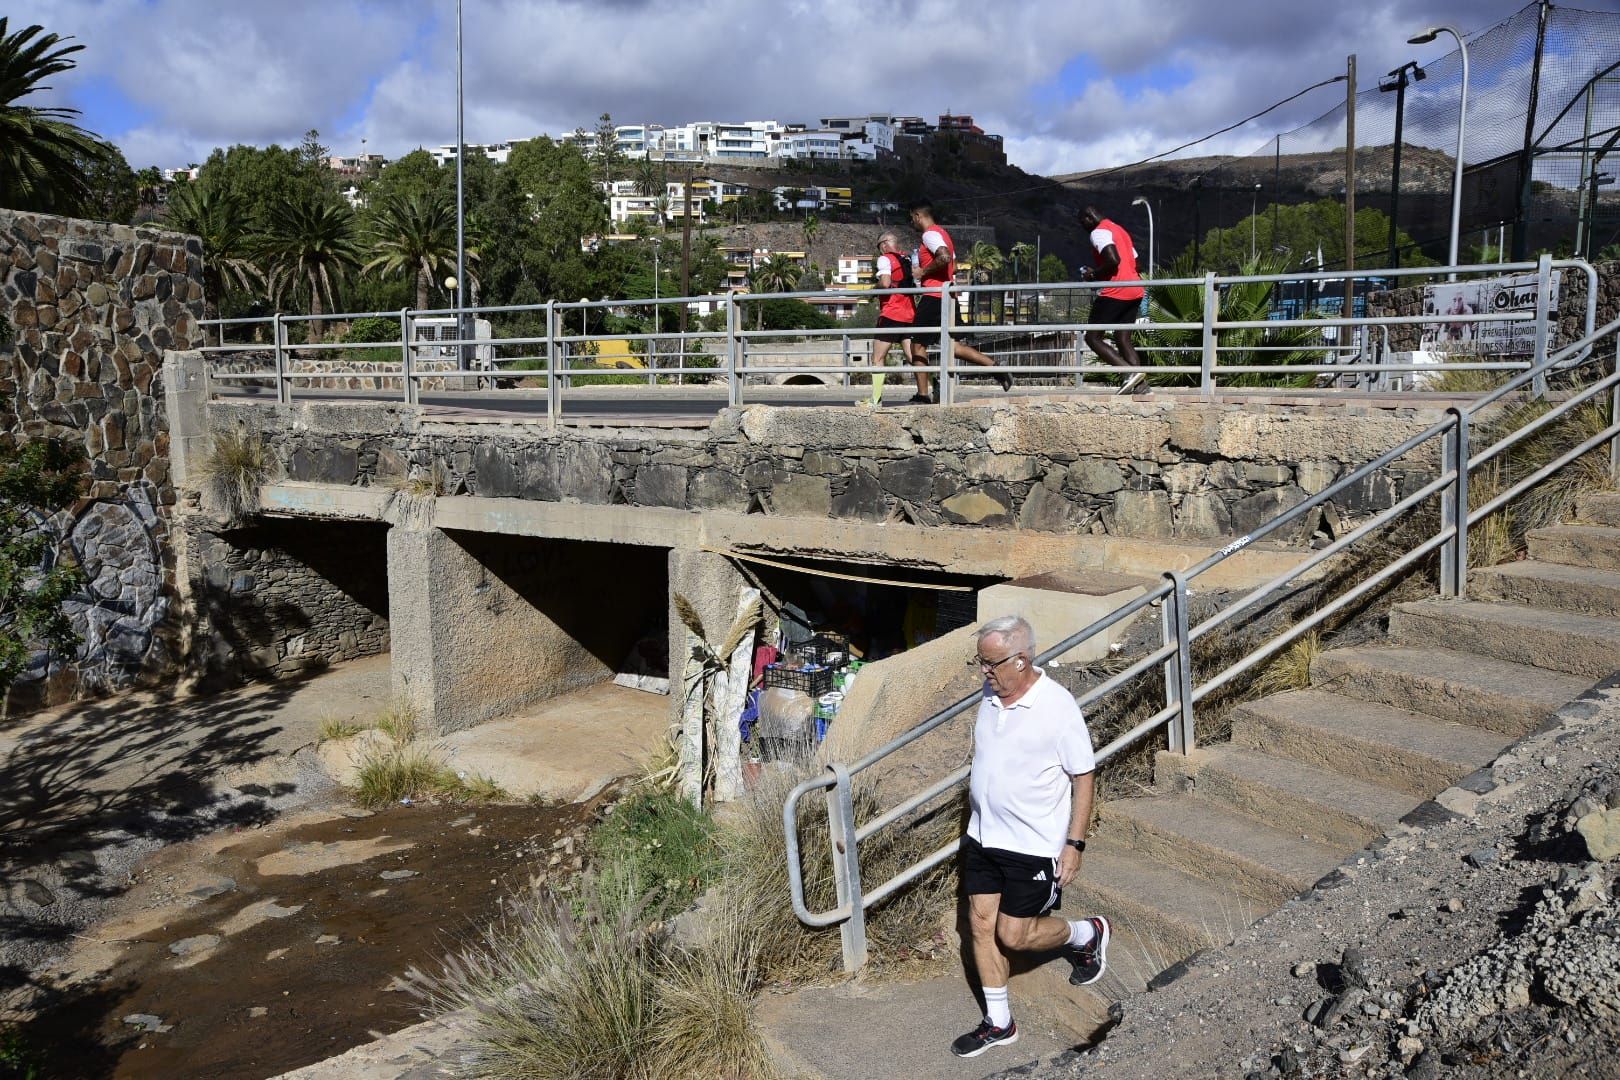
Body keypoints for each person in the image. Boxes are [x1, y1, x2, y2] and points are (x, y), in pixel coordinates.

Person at [951, 614, 1109, 1060]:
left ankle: (1086, 933)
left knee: (1014, 937)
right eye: (980, 661)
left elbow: (1083, 774)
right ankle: (999, 1023)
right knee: (981, 925)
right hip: (983, 837)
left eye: (992, 662)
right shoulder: (991, 692)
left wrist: (1074, 844)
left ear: (1021, 660)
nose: (984, 671)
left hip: (1034, 846)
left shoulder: (1057, 707)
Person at [908, 200, 1013, 403]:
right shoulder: (944, 235)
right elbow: (953, 266)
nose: (912, 222)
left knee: (918, 345)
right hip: (948, 297)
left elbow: (945, 258)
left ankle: (922, 395)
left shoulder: (929, 235)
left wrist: (922, 271)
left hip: (933, 296)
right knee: (953, 346)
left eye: (912, 218)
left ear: (918, 216)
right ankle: (997, 369)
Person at [1079, 205, 1148, 395]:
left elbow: (1113, 260)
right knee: (1122, 337)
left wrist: (1093, 275)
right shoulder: (1120, 230)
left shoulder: (1099, 232)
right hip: (1136, 289)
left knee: (1092, 337)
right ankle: (1141, 387)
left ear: (1089, 217)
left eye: (1082, 222)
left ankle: (1128, 373)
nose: (1082, 226)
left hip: (1117, 290)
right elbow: (1138, 264)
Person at [861, 233, 916, 407]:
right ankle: (936, 386)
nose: (880, 251)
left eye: (879, 247)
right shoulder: (907, 259)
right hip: (910, 314)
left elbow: (885, 283)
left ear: (884, 245)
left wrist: (873, 289)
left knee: (877, 358)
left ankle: (875, 399)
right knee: (914, 356)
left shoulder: (885, 259)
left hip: (892, 313)